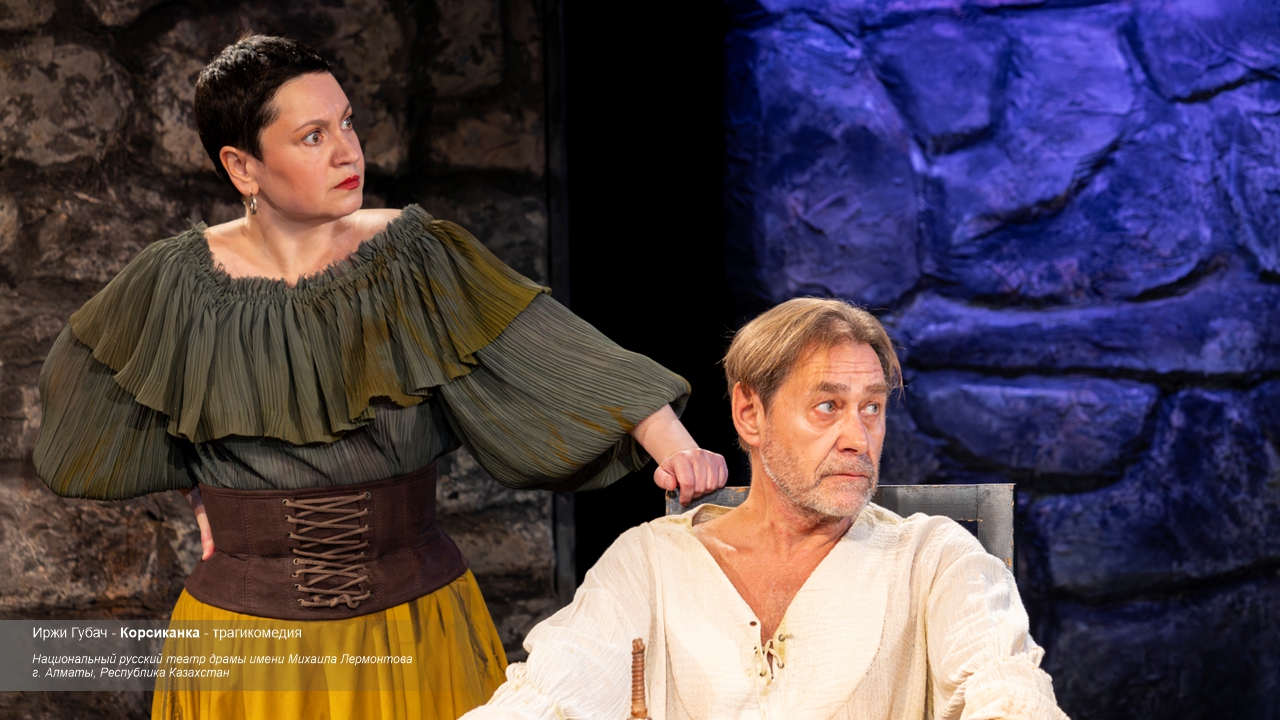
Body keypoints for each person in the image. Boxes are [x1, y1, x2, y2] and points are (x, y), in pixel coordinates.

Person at [32, 34, 726, 720]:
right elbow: (94, 409)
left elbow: (554, 350)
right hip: (249, 648)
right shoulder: (175, 284)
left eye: (347, 123)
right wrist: (200, 486)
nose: (347, 151)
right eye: (313, 136)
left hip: (414, 627)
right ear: (243, 167)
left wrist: (675, 447)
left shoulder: (414, 257)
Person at [461, 297, 1069, 720]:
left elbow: (1007, 689)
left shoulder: (933, 559)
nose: (858, 438)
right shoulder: (650, 563)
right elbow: (547, 696)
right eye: (828, 406)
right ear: (750, 414)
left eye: (872, 407)